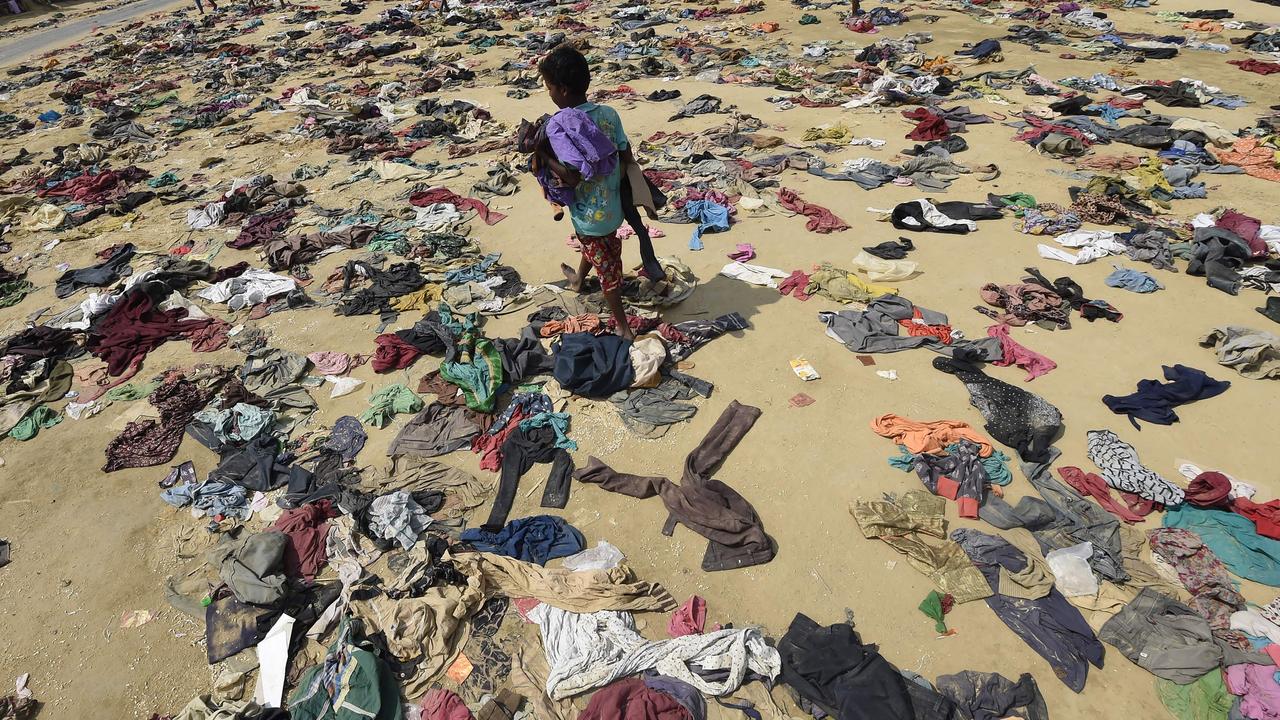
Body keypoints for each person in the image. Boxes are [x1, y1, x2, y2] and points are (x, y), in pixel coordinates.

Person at [534, 46, 638, 341]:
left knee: (608, 270)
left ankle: (622, 326)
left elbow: (572, 176)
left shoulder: (560, 124)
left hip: (589, 214)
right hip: (613, 206)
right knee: (594, 244)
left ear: (563, 90)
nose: (549, 93)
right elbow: (625, 151)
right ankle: (579, 280)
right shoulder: (608, 113)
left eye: (550, 87)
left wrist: (542, 152)